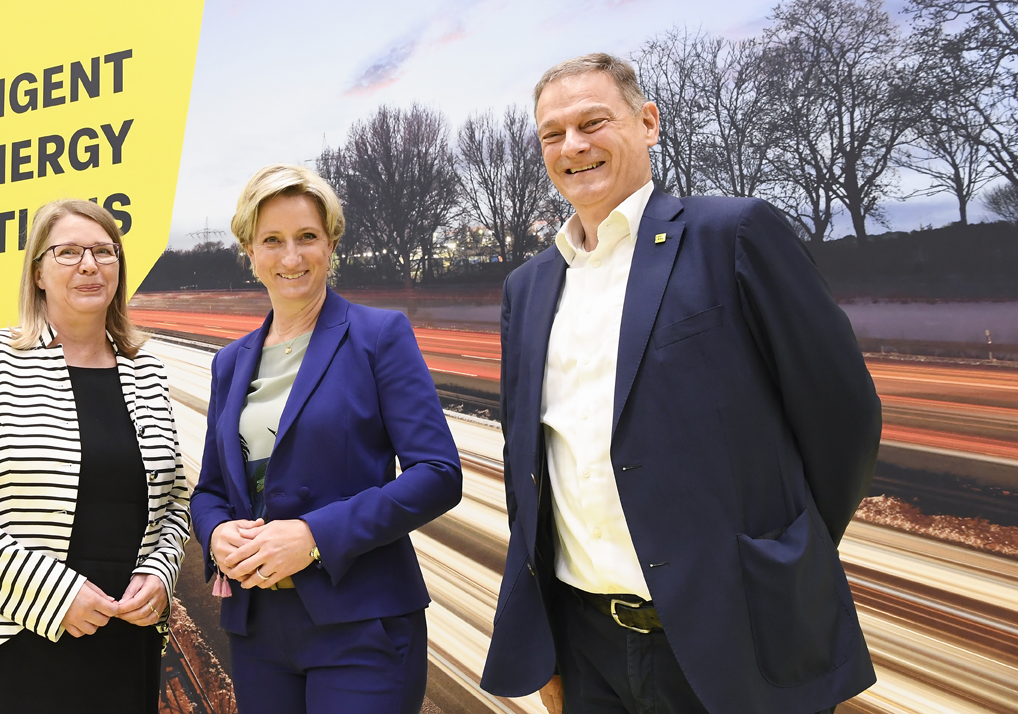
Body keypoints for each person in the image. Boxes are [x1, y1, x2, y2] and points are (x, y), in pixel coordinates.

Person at [480, 54, 881, 714]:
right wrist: (543, 637)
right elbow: (528, 468)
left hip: (740, 642)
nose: (572, 145)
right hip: (587, 650)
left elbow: (845, 419)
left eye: (592, 122)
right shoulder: (527, 288)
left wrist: (785, 560)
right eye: (553, 133)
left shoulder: (735, 235)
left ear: (647, 123)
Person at [189, 163, 462, 714]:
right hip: (258, 630)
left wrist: (312, 536)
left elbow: (438, 475)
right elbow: (210, 491)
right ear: (249, 252)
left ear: (331, 243)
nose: (291, 258)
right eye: (272, 241)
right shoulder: (229, 362)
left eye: (307, 237)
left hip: (361, 625)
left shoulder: (379, 337)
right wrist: (216, 536)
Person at [0, 198, 190, 713]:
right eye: (68, 252)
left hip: (123, 649)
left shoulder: (147, 372)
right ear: (37, 272)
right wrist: (54, 597)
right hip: (5, 646)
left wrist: (161, 575)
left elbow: (174, 505)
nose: (89, 265)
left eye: (104, 251)